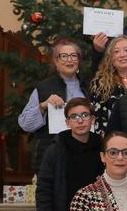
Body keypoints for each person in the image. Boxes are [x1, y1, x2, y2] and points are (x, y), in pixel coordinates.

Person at [18, 38, 88, 171]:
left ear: (79, 61)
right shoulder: (43, 87)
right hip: (51, 158)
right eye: (64, 56)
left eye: (74, 55)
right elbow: (25, 124)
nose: (69, 60)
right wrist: (43, 106)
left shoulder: (88, 87)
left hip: (83, 155)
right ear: (56, 61)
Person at [89, 36, 127, 133]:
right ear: (111, 58)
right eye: (116, 52)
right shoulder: (101, 83)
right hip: (111, 141)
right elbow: (98, 118)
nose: (122, 55)